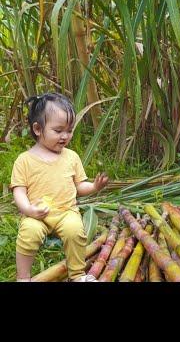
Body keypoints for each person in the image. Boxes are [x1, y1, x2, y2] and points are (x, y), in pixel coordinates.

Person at [10, 92, 109, 282]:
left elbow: (80, 186)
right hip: (37, 213)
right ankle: (23, 277)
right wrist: (28, 209)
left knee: (75, 231)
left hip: (66, 211)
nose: (65, 136)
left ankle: (78, 274)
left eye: (69, 130)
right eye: (58, 130)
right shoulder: (24, 160)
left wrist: (95, 187)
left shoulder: (71, 157)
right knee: (28, 234)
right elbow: (19, 191)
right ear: (38, 129)